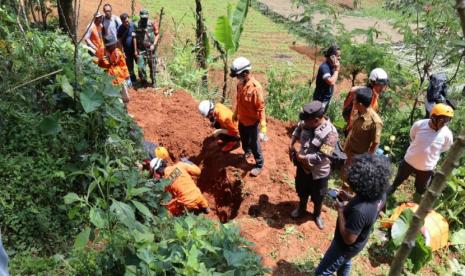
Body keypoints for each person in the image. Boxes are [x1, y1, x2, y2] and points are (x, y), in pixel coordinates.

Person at [315, 154, 390, 276]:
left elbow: (348, 239)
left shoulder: (359, 211)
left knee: (322, 272)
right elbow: (367, 204)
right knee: (345, 262)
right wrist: (350, 198)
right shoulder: (381, 194)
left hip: (344, 247)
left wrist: (340, 210)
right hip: (358, 244)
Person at [388, 103, 453, 202]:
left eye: (447, 121)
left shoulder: (447, 134)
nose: (444, 123)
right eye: (442, 120)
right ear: (433, 117)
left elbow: (445, 148)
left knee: (420, 189)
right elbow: (412, 136)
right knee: (398, 180)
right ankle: (388, 195)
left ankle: (415, 206)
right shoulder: (420, 125)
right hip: (409, 161)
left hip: (426, 168)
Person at [289, 101, 338, 229]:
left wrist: (302, 157)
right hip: (303, 168)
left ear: (316, 120)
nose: (304, 123)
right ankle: (302, 207)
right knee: (301, 189)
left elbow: (323, 156)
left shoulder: (331, 133)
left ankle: (316, 215)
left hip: (319, 172)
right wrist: (292, 142)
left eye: (307, 121)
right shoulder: (306, 122)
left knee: (318, 195)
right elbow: (298, 128)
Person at [231, 57, 267, 177]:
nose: (238, 78)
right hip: (242, 119)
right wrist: (236, 113)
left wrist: (263, 126)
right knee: (244, 139)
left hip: (252, 122)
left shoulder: (256, 88)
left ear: (246, 73)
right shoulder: (240, 85)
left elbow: (260, 108)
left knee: (254, 144)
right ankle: (247, 152)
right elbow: (239, 100)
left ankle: (259, 164)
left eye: (239, 75)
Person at [342, 68, 389, 135]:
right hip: (354, 128)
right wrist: (351, 127)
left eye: (383, 85)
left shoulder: (374, 94)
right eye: (380, 85)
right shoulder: (364, 96)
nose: (382, 88)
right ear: (372, 83)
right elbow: (353, 112)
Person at [344, 87, 383, 162]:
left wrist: (366, 161)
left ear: (360, 104)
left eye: (354, 100)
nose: (353, 101)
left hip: (357, 158)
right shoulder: (356, 111)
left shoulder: (375, 122)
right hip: (347, 151)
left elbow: (375, 144)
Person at [96, 35, 130, 108]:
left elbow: (123, 64)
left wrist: (127, 75)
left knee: (126, 97)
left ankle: (125, 111)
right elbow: (101, 64)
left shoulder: (118, 52)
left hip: (120, 78)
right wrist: (102, 60)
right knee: (118, 99)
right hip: (111, 79)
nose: (111, 46)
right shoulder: (103, 52)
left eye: (112, 45)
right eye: (110, 45)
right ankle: (122, 113)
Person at [312, 45, 341, 113]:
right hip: (320, 99)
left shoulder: (332, 66)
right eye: (338, 56)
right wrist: (337, 70)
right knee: (316, 118)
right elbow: (330, 82)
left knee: (320, 116)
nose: (339, 58)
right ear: (332, 57)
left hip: (325, 99)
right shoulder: (325, 67)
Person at [135, 9, 159, 87]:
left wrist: (154, 45)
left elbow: (157, 35)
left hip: (151, 49)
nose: (144, 19)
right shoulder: (137, 24)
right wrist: (136, 49)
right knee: (140, 67)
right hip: (141, 49)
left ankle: (154, 81)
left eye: (145, 17)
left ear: (148, 16)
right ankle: (143, 81)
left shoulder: (152, 23)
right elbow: (134, 37)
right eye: (142, 17)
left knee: (153, 66)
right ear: (140, 16)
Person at [117, 13, 137, 83]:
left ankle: (143, 79)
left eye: (127, 21)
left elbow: (136, 37)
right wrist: (122, 52)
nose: (127, 23)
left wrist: (137, 50)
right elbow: (119, 41)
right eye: (125, 22)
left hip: (135, 50)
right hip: (127, 51)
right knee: (130, 66)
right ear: (122, 21)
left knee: (139, 64)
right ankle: (133, 79)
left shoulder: (133, 25)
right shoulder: (120, 29)